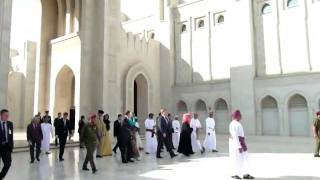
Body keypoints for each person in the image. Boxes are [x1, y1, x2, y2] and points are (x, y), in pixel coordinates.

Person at [229, 110, 254, 179]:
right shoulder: (234, 124)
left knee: (245, 158)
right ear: (237, 116)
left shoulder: (235, 123)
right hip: (238, 144)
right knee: (239, 159)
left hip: (240, 143)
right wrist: (239, 146)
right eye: (240, 115)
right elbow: (235, 136)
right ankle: (237, 174)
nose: (241, 117)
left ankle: (244, 173)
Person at [0, 109, 14, 180]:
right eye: (5, 115)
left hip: (7, 147)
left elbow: (11, 135)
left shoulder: (10, 124)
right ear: (1, 115)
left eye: (8, 116)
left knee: (8, 164)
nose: (7, 117)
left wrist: (11, 146)